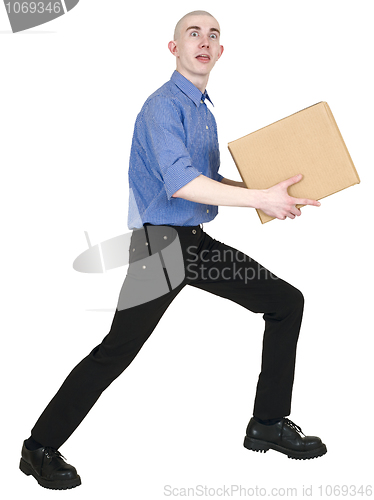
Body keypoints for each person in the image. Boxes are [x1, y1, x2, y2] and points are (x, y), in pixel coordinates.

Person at [19, 10, 327, 491]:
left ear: (220, 52)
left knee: (286, 303)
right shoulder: (163, 106)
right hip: (160, 250)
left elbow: (208, 182)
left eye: (213, 36)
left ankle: (266, 424)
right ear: (174, 48)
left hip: (194, 246)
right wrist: (259, 198)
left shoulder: (203, 109)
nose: (204, 42)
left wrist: (265, 194)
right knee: (116, 352)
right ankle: (38, 449)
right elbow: (182, 184)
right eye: (193, 34)